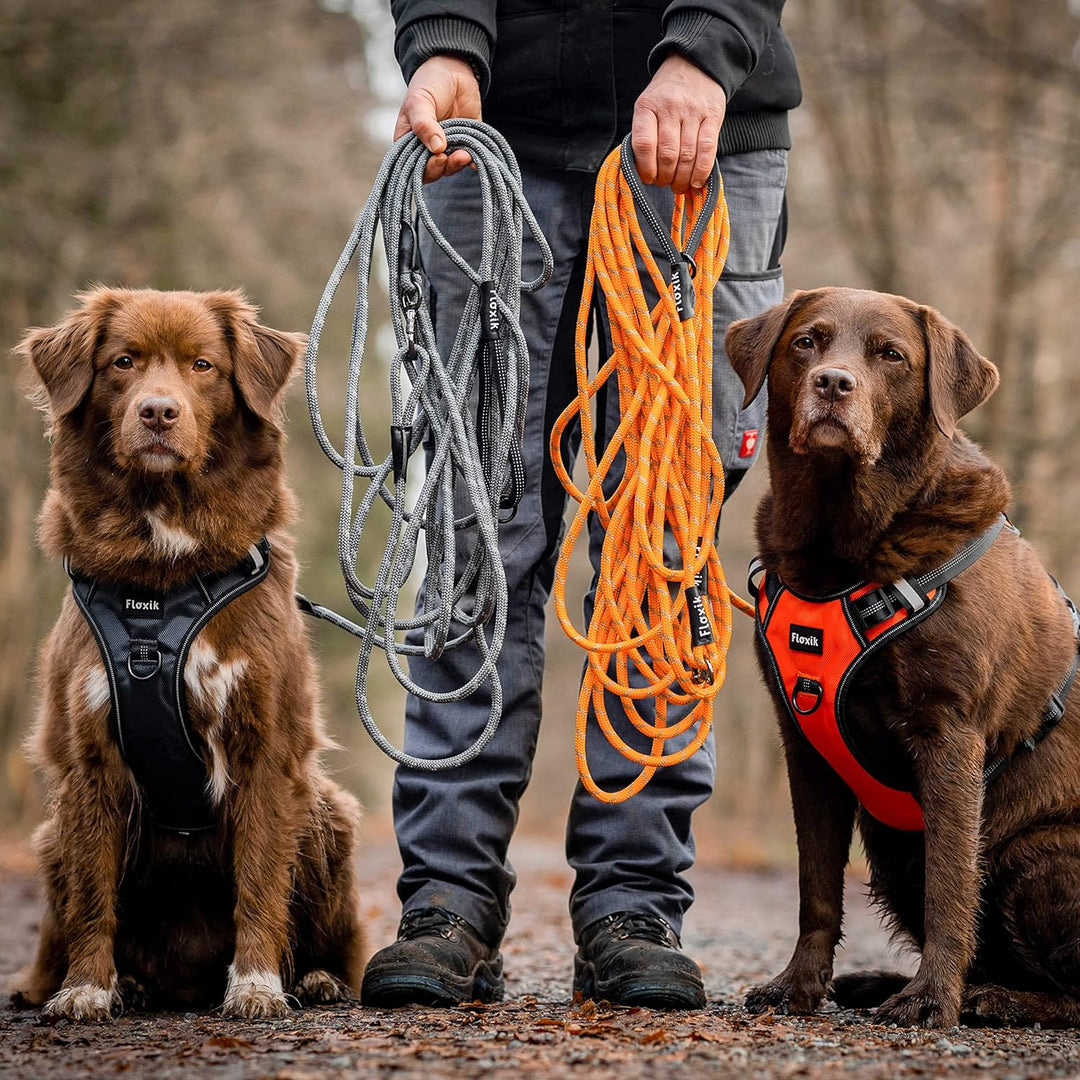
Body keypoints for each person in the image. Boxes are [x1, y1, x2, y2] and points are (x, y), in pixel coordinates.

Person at [362, 0, 801, 1010]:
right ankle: (448, 899)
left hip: (708, 133)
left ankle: (635, 901)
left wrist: (704, 50)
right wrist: (443, 44)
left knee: (661, 535)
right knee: (474, 531)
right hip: (489, 135)